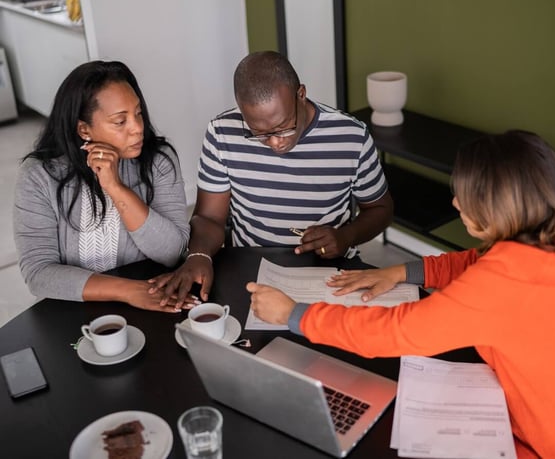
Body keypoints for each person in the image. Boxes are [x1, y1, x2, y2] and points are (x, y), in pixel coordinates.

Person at [247, 130, 555, 458]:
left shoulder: (501, 284)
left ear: (497, 207)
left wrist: (295, 314)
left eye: (465, 194)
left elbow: (396, 331)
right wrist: (405, 272)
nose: (456, 202)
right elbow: (479, 262)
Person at [153, 51, 393, 305]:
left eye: (284, 127)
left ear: (301, 94)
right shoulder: (222, 132)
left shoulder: (350, 136)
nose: (275, 143)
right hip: (250, 266)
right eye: (259, 133)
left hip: (326, 268)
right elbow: (210, 218)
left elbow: (381, 208)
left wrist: (346, 236)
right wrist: (198, 255)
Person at [13, 60, 196, 312]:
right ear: (84, 129)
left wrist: (117, 189)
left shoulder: (158, 160)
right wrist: (128, 291)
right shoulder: (39, 176)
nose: (137, 128)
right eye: (120, 121)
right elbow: (39, 273)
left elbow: (172, 252)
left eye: (138, 113)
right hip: (76, 308)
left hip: (151, 300)